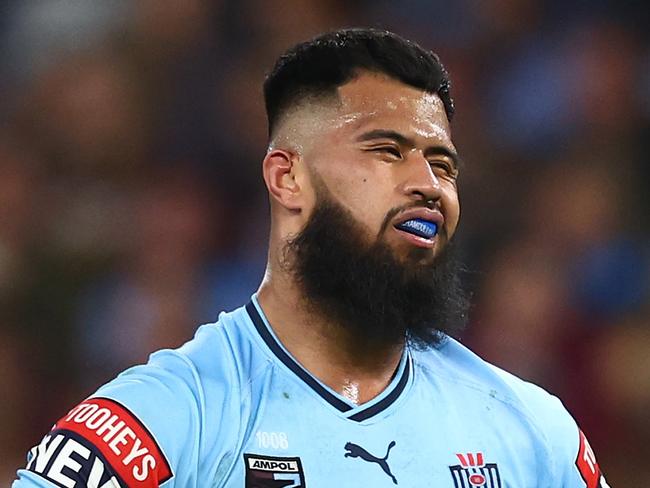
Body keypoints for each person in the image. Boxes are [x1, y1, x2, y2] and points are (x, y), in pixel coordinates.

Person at [14, 28, 608, 488]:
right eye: (387, 150)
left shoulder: (531, 432)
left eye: (444, 163)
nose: (429, 183)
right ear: (288, 177)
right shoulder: (169, 420)